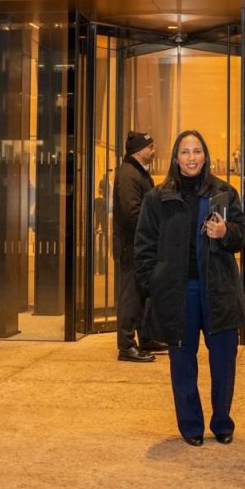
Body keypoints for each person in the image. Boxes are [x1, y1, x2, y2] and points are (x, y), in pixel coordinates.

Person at [135, 130, 245, 446]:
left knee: (224, 362)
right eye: (185, 152)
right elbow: (143, 247)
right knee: (182, 363)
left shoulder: (224, 193)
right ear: (176, 157)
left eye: (197, 151)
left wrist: (226, 232)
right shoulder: (157, 198)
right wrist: (153, 283)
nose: (191, 158)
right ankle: (191, 426)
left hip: (219, 291)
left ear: (205, 156)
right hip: (179, 293)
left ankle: (222, 422)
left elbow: (243, 235)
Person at [113, 131, 160, 363]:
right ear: (140, 150)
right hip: (132, 246)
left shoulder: (137, 172)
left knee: (141, 294)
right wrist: (153, 230)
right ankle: (127, 346)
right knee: (131, 296)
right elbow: (132, 213)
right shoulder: (129, 174)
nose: (154, 151)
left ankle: (146, 338)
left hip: (140, 245)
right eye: (151, 147)